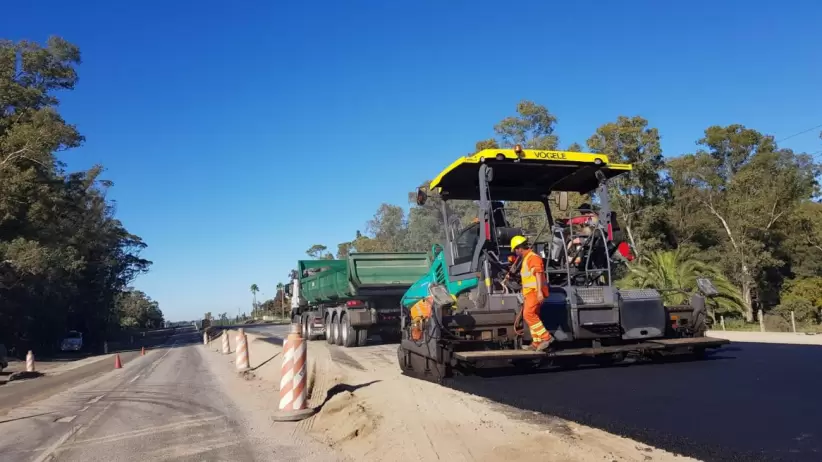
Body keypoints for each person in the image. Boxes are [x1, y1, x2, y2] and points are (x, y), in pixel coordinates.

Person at [510, 235, 554, 352]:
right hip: (530, 293)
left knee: (528, 315)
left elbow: (538, 274)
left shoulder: (532, 258)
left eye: (515, 249)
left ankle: (546, 337)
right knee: (533, 317)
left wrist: (539, 292)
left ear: (519, 248)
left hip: (535, 292)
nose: (515, 252)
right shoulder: (527, 258)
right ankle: (536, 343)